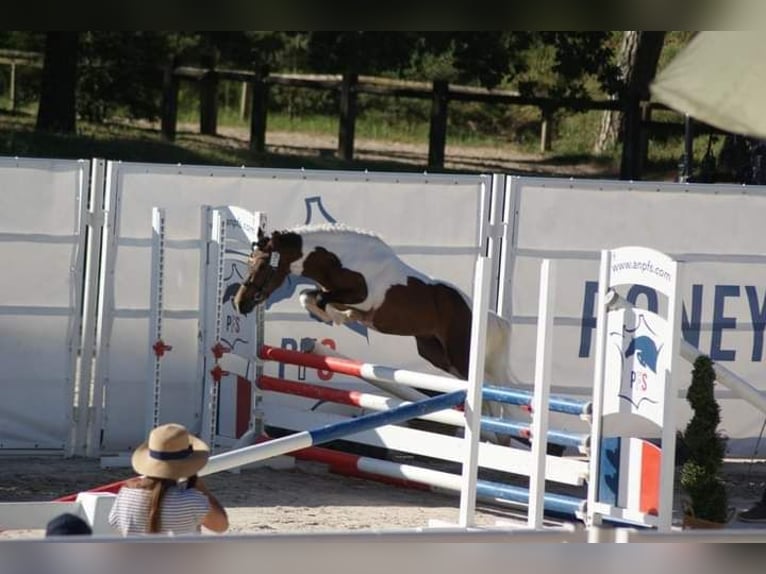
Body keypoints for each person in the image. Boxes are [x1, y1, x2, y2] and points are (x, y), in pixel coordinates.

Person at [108, 423, 229, 536]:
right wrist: (202, 489)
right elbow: (221, 526)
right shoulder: (192, 500)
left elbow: (114, 523)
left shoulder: (126, 494)